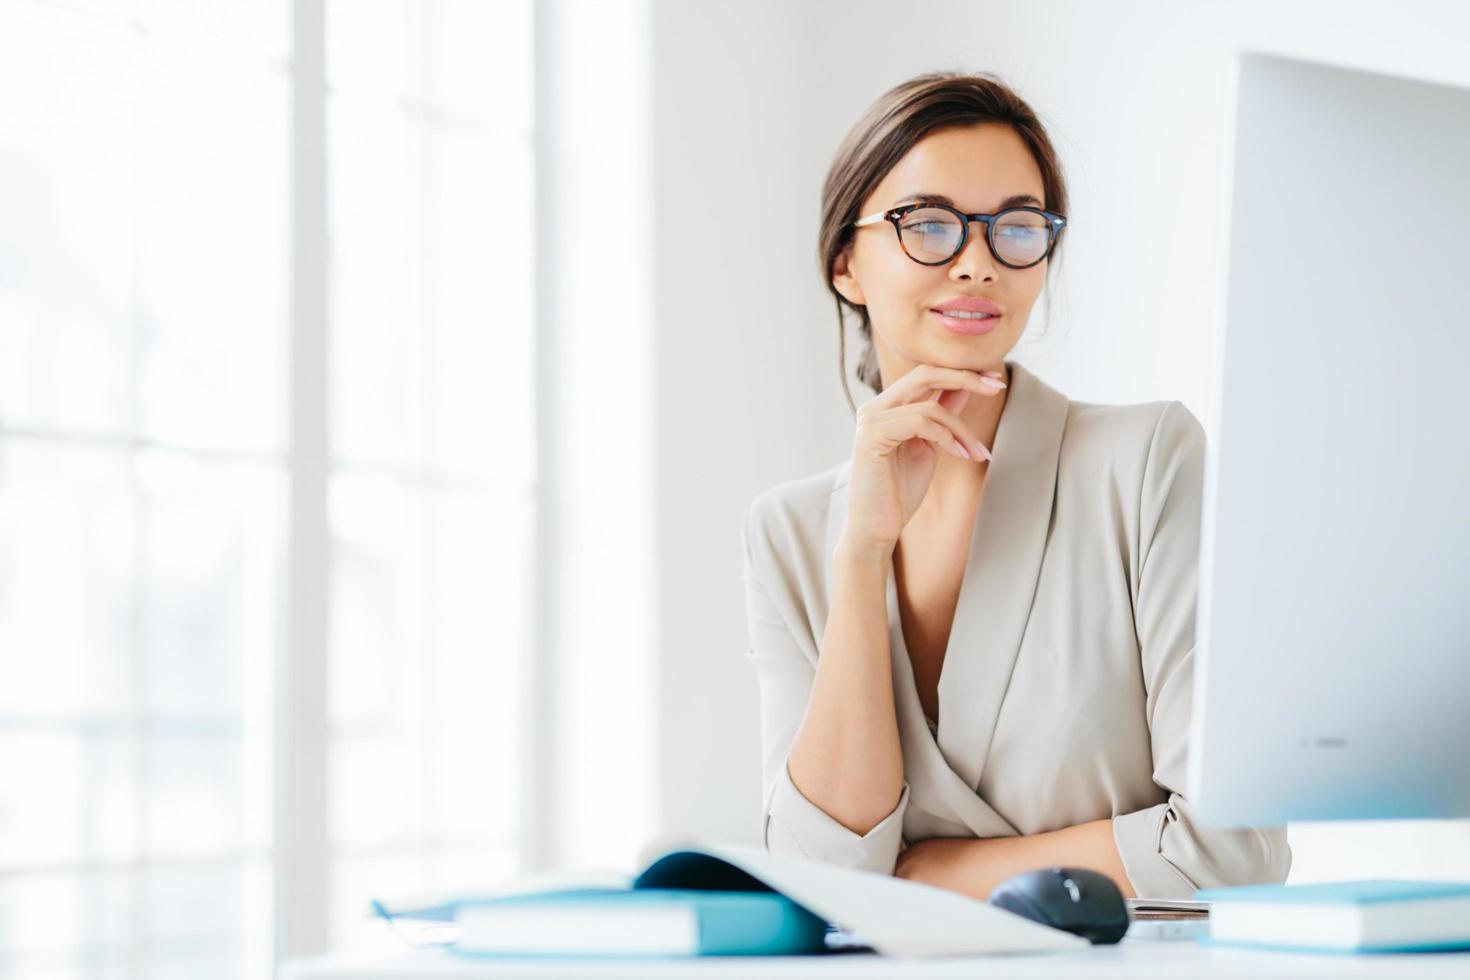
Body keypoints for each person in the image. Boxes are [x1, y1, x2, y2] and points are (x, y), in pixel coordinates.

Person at [741, 70, 1290, 900]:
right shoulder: (787, 532)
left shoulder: (1144, 463)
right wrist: (861, 554)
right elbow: (820, 873)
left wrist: (937, 874)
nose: (977, 263)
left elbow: (1234, 847)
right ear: (846, 262)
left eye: (1016, 227)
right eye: (928, 225)